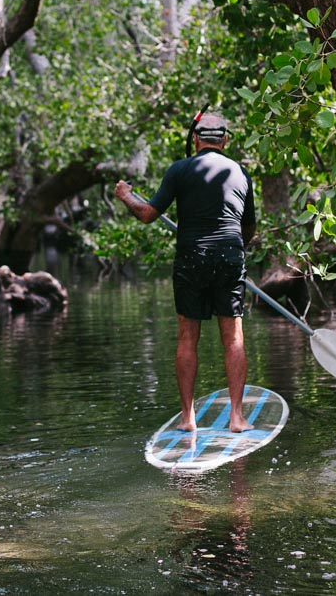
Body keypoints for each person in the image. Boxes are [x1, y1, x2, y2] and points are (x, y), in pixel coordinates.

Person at [115, 112, 256, 433]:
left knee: (187, 336)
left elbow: (149, 214)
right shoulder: (241, 172)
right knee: (233, 337)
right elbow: (248, 230)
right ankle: (236, 418)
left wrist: (126, 196)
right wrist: (236, 254)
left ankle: (188, 418)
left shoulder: (179, 169)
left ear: (196, 140)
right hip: (229, 255)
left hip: (191, 257)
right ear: (224, 140)